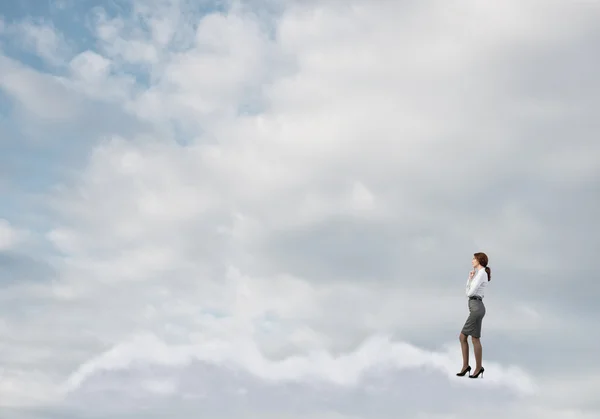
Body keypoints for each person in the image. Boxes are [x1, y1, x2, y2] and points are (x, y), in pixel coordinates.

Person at [456, 252, 491, 379]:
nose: (472, 261)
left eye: (474, 259)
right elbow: (468, 291)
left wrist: (470, 283)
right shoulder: (478, 274)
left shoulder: (482, 274)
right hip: (476, 306)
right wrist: (470, 278)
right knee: (475, 338)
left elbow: (469, 292)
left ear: (479, 260)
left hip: (476, 307)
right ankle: (476, 367)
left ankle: (468, 366)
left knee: (462, 336)